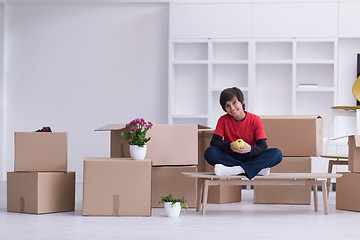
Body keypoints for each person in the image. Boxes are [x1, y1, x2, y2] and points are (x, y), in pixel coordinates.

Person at [204, 87, 282, 180]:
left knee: (277, 154)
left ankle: (236, 169)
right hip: (231, 156)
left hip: (251, 156)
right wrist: (230, 146)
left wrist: (249, 149)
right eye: (227, 105)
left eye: (234, 102)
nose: (232, 108)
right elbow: (214, 143)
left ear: (242, 101)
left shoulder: (255, 120)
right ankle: (254, 169)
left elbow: (263, 147)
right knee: (210, 152)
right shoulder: (223, 120)